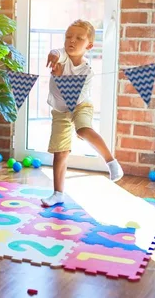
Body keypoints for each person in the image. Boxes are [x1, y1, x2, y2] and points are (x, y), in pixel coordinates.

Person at [41, 19, 124, 207]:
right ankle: (57, 193)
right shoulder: (61, 56)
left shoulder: (87, 70)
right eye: (68, 37)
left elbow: (74, 97)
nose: (72, 41)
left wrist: (60, 77)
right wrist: (53, 57)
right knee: (60, 151)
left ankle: (111, 162)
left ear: (89, 45)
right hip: (60, 110)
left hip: (81, 106)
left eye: (79, 38)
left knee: (83, 130)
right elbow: (55, 53)